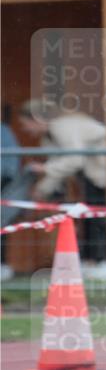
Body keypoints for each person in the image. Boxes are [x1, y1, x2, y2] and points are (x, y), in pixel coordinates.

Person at [17, 101, 106, 279]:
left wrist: (45, 169)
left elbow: (73, 160)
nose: (26, 130)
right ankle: (90, 261)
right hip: (91, 175)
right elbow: (58, 168)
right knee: (87, 217)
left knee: (96, 218)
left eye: (26, 124)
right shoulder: (47, 139)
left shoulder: (62, 126)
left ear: (36, 119)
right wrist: (41, 190)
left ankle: (102, 262)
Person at [1, 104, 20, 281]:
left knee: (2, 224)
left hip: (3, 185)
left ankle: (2, 264)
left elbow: (10, 167)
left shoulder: (4, 131)